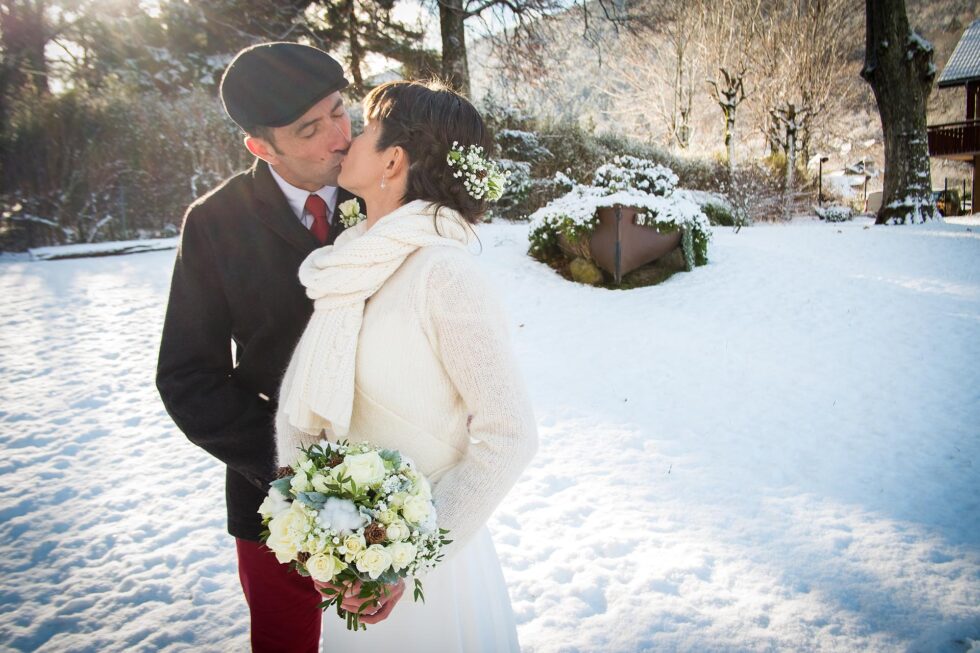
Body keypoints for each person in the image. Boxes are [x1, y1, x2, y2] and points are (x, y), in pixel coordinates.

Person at [274, 80, 539, 652]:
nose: (348, 140)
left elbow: (510, 433)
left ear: (393, 159)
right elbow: (303, 407)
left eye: (366, 129)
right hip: (352, 565)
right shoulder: (349, 265)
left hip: (427, 577)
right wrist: (317, 526)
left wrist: (409, 555)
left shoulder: (444, 274)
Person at [156, 42, 363, 652]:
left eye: (339, 110)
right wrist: (290, 471)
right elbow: (188, 376)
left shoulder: (389, 192)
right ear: (260, 147)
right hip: (274, 498)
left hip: (400, 473)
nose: (340, 137)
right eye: (309, 129)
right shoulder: (215, 222)